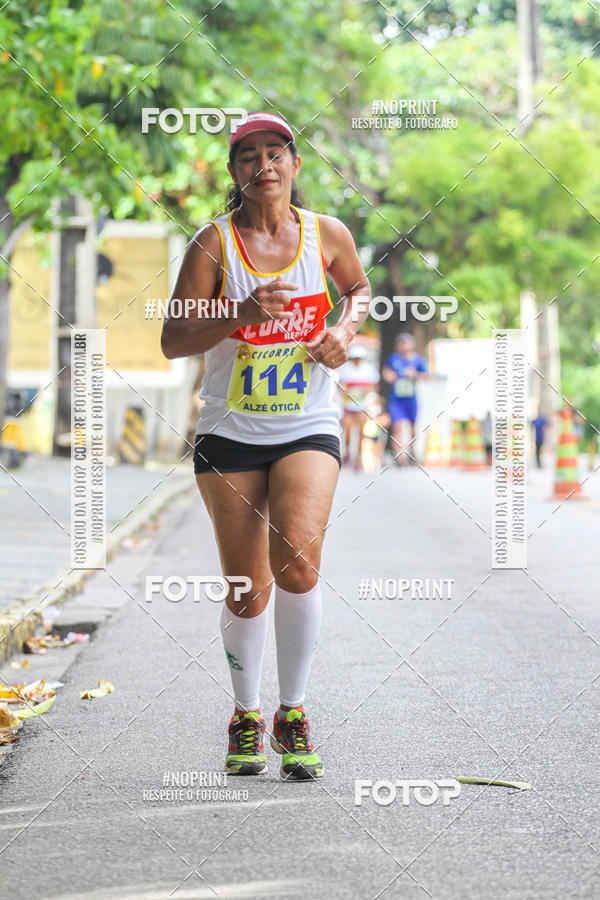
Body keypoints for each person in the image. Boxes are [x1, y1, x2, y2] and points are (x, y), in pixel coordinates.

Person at [161, 112, 371, 780]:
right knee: (248, 587)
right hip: (230, 431)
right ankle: (246, 714)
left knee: (299, 563)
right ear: (235, 173)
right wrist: (240, 314)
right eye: (248, 157)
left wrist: (346, 329)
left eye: (275, 153)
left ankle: (293, 710)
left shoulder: (326, 235)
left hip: (307, 422)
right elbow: (172, 339)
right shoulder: (213, 246)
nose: (264, 167)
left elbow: (359, 290)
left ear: (295, 165)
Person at [382, 333, 428, 465]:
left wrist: (415, 374)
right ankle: (400, 457)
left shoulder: (417, 360)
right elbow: (386, 372)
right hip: (396, 400)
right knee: (397, 427)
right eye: (401, 343)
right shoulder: (393, 359)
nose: (403, 345)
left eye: (406, 342)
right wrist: (389, 376)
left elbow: (425, 375)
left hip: (411, 399)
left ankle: (412, 452)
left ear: (412, 344)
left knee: (413, 427)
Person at [335, 344, 380, 471]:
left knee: (361, 433)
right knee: (348, 432)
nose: (357, 360)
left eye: (359, 358)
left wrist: (369, 392)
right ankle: (348, 450)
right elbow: (338, 384)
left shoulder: (369, 369)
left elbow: (375, 385)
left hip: (362, 406)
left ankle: (358, 458)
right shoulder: (344, 369)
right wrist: (344, 392)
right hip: (348, 406)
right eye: (355, 358)